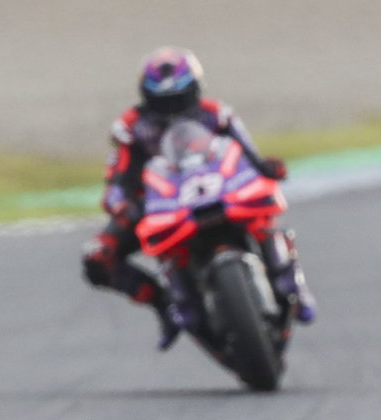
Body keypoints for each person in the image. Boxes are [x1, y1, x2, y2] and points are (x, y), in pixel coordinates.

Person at [81, 47, 316, 349]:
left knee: (264, 218)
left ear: (195, 89)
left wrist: (267, 167)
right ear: (146, 96)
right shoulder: (131, 127)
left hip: (217, 190)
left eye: (179, 99)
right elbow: (118, 177)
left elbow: (249, 154)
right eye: (162, 102)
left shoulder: (217, 114)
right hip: (158, 206)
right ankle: (165, 306)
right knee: (98, 257)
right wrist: (121, 204)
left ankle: (293, 285)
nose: (171, 110)